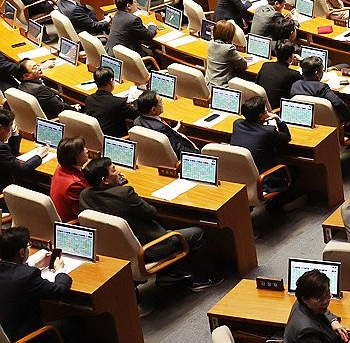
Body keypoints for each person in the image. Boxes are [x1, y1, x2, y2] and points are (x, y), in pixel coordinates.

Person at [80, 157, 223, 291]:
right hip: (149, 248)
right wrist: (127, 193)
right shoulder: (125, 195)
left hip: (116, 251)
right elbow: (151, 212)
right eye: (113, 170)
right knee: (197, 233)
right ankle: (204, 279)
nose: (118, 172)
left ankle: (170, 273)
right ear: (105, 180)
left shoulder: (85, 196)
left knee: (162, 225)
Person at [290, 55, 350, 159]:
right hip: (339, 126)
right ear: (317, 73)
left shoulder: (295, 85)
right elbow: (338, 103)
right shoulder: (321, 87)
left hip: (312, 126)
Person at [0, 226, 78, 342]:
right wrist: (60, 270)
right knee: (76, 322)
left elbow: (14, 273)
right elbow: (60, 290)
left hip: (7, 333)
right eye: (28, 246)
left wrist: (33, 264)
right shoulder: (28, 276)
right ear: (22, 252)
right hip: (27, 337)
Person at [230, 95, 299, 209]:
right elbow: (287, 137)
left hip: (241, 178)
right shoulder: (268, 132)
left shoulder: (237, 124)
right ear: (261, 116)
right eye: (265, 111)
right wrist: (277, 119)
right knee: (293, 171)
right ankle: (277, 205)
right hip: (264, 180)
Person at [283, 269, 348, 343]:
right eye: (318, 298)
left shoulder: (303, 302)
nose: (326, 301)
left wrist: (333, 321)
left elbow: (324, 310)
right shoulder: (308, 332)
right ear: (305, 299)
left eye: (327, 294)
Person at [131, 90, 198, 158]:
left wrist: (174, 130)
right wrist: (196, 152)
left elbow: (164, 136)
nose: (162, 105)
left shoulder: (137, 121)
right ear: (153, 110)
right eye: (160, 102)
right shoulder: (161, 129)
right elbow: (178, 149)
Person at [0, 108, 50, 199]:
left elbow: (13, 153)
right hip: (4, 195)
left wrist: (14, 135)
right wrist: (39, 155)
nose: (11, 128)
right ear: (1, 128)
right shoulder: (1, 148)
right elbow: (22, 170)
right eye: (10, 126)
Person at [84, 66, 136, 137]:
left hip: (97, 137)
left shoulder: (89, 100)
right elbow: (136, 114)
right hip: (117, 139)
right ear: (111, 81)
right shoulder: (118, 103)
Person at [49, 136, 89, 222]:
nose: (86, 150)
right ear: (75, 157)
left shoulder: (61, 167)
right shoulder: (74, 184)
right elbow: (82, 214)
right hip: (71, 224)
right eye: (82, 150)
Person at [258, 39, 302, 109]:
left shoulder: (266, 65)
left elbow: (256, 83)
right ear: (291, 58)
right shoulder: (293, 74)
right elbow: (306, 79)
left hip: (261, 106)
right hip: (278, 109)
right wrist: (302, 61)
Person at [206, 20, 248, 87]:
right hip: (221, 86)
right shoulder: (229, 49)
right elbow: (243, 65)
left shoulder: (211, 43)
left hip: (208, 83)